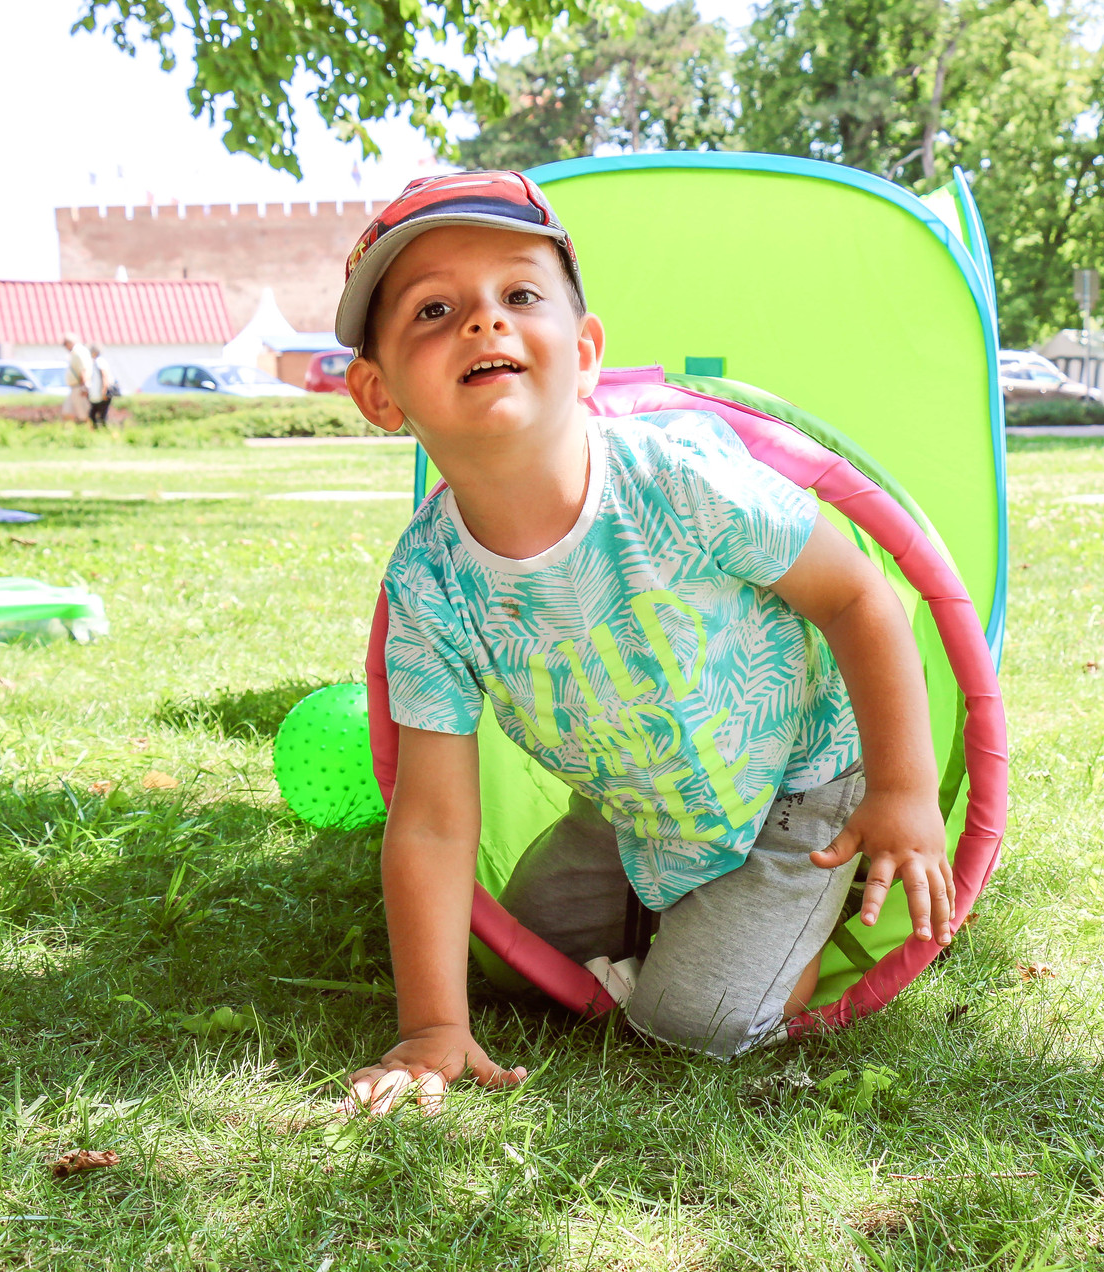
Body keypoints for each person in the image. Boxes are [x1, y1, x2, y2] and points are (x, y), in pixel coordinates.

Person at [338, 172, 954, 1117]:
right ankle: (690, 915)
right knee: (518, 956)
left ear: (586, 353)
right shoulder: (429, 584)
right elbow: (431, 820)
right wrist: (430, 1025)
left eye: (520, 295)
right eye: (433, 310)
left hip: (798, 786)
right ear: (378, 394)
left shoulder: (679, 478)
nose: (485, 321)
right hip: (635, 805)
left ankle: (783, 924)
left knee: (696, 1023)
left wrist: (903, 791)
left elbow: (858, 596)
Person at [63, 332, 98, 422]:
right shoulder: (76, 352)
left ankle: (91, 429)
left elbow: (83, 370)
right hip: (75, 387)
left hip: (79, 387)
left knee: (84, 414)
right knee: (67, 413)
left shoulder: (78, 352)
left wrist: (84, 387)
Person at [88, 345, 117, 428]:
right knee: (94, 414)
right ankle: (99, 430)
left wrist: (104, 391)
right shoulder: (96, 362)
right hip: (98, 394)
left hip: (102, 393)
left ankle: (104, 431)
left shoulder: (100, 361)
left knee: (101, 415)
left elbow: (104, 376)